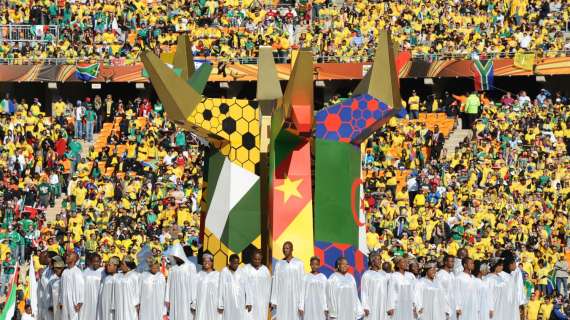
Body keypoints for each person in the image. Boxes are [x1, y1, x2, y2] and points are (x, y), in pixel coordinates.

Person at [270, 241, 304, 320]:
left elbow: (302, 284)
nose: (285, 250)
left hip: (295, 297)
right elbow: (276, 283)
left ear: (292, 249)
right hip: (282, 297)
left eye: (287, 248)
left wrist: (301, 303)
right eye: (284, 248)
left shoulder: (299, 263)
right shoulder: (279, 264)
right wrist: (274, 300)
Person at [165, 244, 197, 320]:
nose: (175, 258)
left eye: (177, 256)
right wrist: (167, 299)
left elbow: (194, 284)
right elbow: (169, 284)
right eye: (174, 257)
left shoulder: (190, 266)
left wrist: (194, 300)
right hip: (174, 297)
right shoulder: (173, 268)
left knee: (186, 315)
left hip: (187, 298)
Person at [217, 254, 252, 320]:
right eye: (234, 263)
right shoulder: (224, 271)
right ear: (229, 262)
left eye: (237, 263)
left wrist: (249, 302)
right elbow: (220, 288)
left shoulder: (242, 271)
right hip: (228, 302)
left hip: (240, 302)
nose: (236, 265)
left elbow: (247, 287)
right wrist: (220, 304)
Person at [241, 250, 271, 320]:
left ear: (261, 259)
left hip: (262, 301)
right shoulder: (246, 269)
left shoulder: (265, 270)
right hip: (249, 301)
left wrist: (270, 300)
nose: (257, 261)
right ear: (252, 258)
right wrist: (246, 301)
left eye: (259, 259)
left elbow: (269, 286)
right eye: (255, 259)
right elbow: (242, 286)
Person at [360, 252, 389, 320]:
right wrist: (365, 306)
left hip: (383, 304)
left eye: (380, 259)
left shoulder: (384, 274)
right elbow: (364, 292)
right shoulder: (367, 275)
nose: (380, 261)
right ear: (372, 262)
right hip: (372, 303)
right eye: (378, 259)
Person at [193, 253, 221, 320]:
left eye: (208, 261)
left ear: (212, 262)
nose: (206, 263)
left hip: (213, 305)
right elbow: (194, 290)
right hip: (200, 304)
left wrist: (221, 304)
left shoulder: (218, 275)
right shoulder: (198, 275)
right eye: (204, 261)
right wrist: (193, 304)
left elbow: (221, 291)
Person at [58, 252, 84, 320]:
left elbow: (81, 288)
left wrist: (80, 302)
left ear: (74, 259)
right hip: (64, 301)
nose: (66, 257)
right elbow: (61, 287)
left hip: (73, 301)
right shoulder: (64, 271)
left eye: (69, 256)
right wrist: (60, 301)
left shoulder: (77, 271)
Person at [113, 256, 140, 320]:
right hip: (119, 303)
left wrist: (137, 303)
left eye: (122, 264)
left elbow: (137, 290)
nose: (121, 266)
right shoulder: (117, 275)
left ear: (128, 265)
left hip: (130, 304)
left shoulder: (135, 275)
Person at [80, 254, 103, 320]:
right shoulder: (85, 272)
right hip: (87, 299)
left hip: (98, 299)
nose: (96, 263)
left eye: (98, 261)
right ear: (90, 262)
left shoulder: (103, 272)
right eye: (94, 261)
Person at [435, 255, 455, 320]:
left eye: (453, 261)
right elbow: (440, 293)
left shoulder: (452, 274)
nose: (453, 263)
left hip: (452, 304)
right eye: (451, 261)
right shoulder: (440, 274)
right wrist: (445, 308)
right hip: (444, 307)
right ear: (445, 262)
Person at [38, 252, 56, 320]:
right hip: (44, 303)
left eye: (42, 257)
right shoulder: (46, 270)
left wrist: (42, 276)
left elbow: (50, 287)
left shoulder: (54, 270)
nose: (40, 259)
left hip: (50, 304)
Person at [48, 256, 65, 320]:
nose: (55, 271)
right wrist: (51, 304)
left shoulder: (65, 277)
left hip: (63, 307)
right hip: (56, 307)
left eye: (57, 269)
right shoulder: (54, 279)